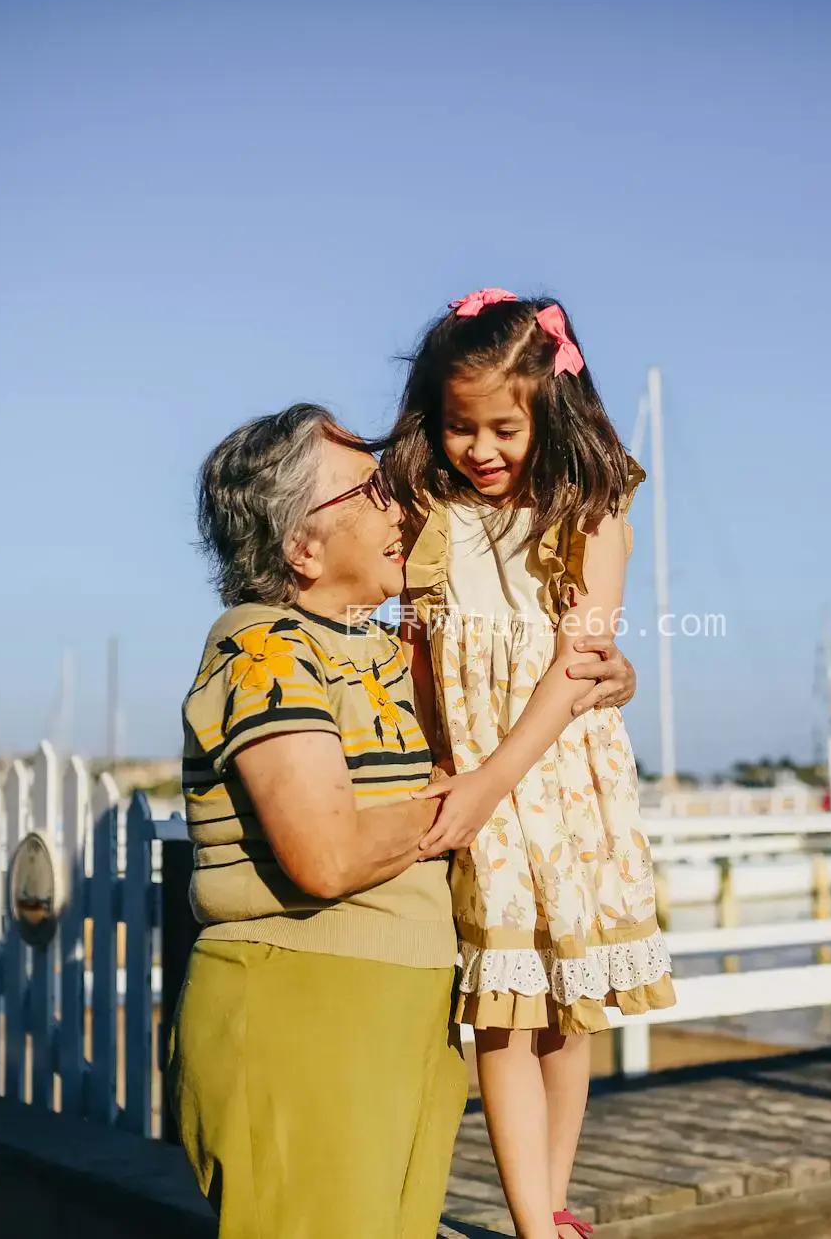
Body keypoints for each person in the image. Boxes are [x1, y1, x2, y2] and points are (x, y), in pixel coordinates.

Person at [170, 402, 638, 1239]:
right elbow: (327, 853)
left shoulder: (381, 649)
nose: (402, 504)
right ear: (300, 546)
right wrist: (471, 796)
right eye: (372, 489)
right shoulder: (266, 649)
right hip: (305, 1016)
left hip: (401, 1022)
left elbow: (505, 675)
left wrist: (597, 683)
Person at [384, 289, 677, 1239]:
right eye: (460, 427)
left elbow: (579, 662)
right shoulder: (432, 514)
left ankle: (548, 1204)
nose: (481, 449)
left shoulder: (591, 511)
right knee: (502, 1013)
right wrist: (435, 761)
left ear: (550, 410)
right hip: (469, 778)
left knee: (565, 1009)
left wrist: (490, 779)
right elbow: (417, 649)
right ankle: (530, 1221)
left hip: (556, 779)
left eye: (503, 427)